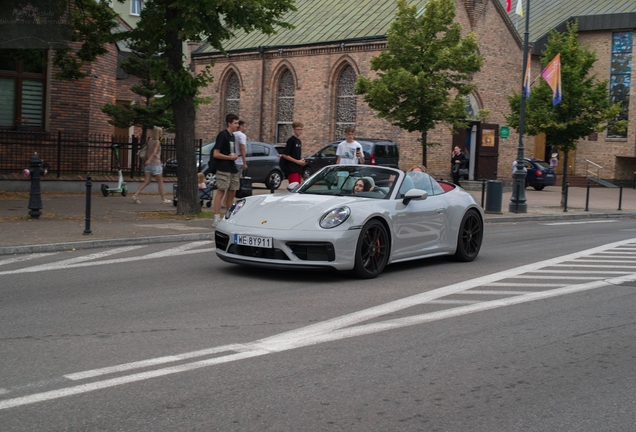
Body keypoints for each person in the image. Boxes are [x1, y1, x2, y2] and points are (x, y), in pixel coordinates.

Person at [212, 113, 240, 228]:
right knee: (221, 191)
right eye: (235, 123)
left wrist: (234, 157)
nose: (237, 125)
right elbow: (216, 153)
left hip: (232, 167)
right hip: (223, 167)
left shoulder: (232, 136)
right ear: (229, 123)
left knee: (232, 191)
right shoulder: (222, 135)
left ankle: (229, 216)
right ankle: (216, 218)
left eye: (238, 123)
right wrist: (230, 157)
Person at [131, 126, 170, 204]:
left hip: (148, 165)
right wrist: (149, 160)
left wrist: (147, 160)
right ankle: (163, 199)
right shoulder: (157, 141)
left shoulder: (150, 140)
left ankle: (135, 195)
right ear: (158, 133)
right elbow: (154, 152)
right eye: (160, 132)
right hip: (155, 163)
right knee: (160, 182)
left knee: (147, 181)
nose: (161, 134)